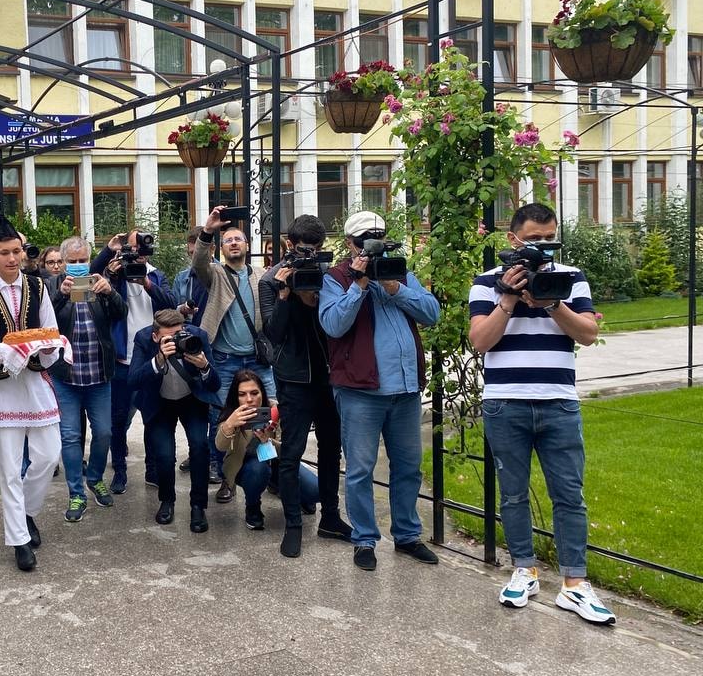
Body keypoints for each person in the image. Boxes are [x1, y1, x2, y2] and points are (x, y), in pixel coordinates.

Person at [469, 202, 611, 624]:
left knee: (569, 494)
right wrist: (508, 299)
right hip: (505, 401)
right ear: (513, 239)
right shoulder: (487, 282)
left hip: (558, 401)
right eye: (533, 240)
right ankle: (524, 569)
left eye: (550, 239)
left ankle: (574, 583)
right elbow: (480, 341)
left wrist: (551, 303)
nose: (542, 248)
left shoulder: (571, 278)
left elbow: (588, 334)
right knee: (512, 493)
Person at [319, 210, 441, 572]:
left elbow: (431, 313)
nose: (372, 249)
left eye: (378, 239)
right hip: (360, 391)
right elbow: (333, 325)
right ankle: (364, 539)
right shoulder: (336, 278)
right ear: (349, 244)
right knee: (360, 469)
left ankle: (407, 535)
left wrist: (395, 288)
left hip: (405, 389)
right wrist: (358, 286)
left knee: (408, 467)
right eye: (364, 242)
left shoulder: (399, 272)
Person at [0, 215, 63, 572]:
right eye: (4, 252)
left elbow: (51, 332)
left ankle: (27, 511)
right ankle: (19, 539)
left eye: (17, 251)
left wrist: (48, 348)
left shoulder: (38, 288)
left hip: (34, 383)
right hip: (2, 389)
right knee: (8, 468)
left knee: (49, 455)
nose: (12, 258)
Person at [258, 214, 353, 558]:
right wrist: (287, 295)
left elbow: (337, 323)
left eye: (315, 248)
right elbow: (273, 333)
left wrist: (316, 294)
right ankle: (293, 525)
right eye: (302, 249)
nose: (309, 255)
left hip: (329, 376)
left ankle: (331, 518)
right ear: (289, 245)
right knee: (291, 452)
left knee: (331, 449)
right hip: (293, 378)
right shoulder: (270, 280)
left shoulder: (328, 275)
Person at [192, 206, 277, 483]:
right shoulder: (215, 274)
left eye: (238, 239)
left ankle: (269, 470)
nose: (233, 243)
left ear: (247, 245)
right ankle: (224, 476)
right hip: (225, 360)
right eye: (228, 240)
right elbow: (198, 263)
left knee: (272, 412)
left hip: (258, 360)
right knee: (221, 416)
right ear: (222, 249)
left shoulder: (261, 275)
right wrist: (208, 230)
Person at [90, 229, 177, 493]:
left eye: (141, 246)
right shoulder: (116, 274)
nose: (137, 252)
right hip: (121, 358)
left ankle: (152, 469)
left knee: (152, 417)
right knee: (117, 421)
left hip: (151, 358)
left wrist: (146, 284)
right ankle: (120, 471)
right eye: (132, 247)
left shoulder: (155, 275)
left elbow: (171, 304)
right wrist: (109, 255)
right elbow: (91, 275)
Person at [47, 236, 126, 522]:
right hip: (66, 377)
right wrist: (61, 295)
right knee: (70, 436)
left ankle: (94, 478)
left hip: (98, 375)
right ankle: (76, 493)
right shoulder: (52, 286)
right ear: (63, 262)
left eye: (83, 260)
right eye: (73, 261)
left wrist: (110, 292)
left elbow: (121, 314)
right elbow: (44, 322)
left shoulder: (99, 283)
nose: (78, 265)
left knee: (104, 432)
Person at [130, 308, 220, 533]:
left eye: (179, 334)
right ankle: (167, 500)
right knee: (164, 455)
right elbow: (133, 380)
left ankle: (198, 506)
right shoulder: (143, 338)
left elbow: (215, 384)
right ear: (155, 336)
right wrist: (158, 359)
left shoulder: (197, 336)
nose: (176, 341)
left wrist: (204, 366)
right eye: (168, 338)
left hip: (191, 400)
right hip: (159, 402)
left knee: (200, 447)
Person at [215, 371, 284, 541]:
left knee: (314, 492)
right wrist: (229, 425)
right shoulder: (232, 414)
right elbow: (220, 446)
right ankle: (253, 506)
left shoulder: (275, 410)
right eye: (242, 394)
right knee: (258, 469)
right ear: (236, 396)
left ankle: (288, 493)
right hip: (244, 468)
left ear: (262, 392)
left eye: (254, 393)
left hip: (277, 464)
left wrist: (268, 440)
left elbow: (289, 450)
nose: (249, 399)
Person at [171, 226, 208, 327]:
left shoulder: (224, 275)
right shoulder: (181, 278)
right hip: (190, 332)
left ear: (212, 249)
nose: (196, 257)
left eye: (199, 253)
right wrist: (182, 310)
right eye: (192, 253)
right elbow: (172, 312)